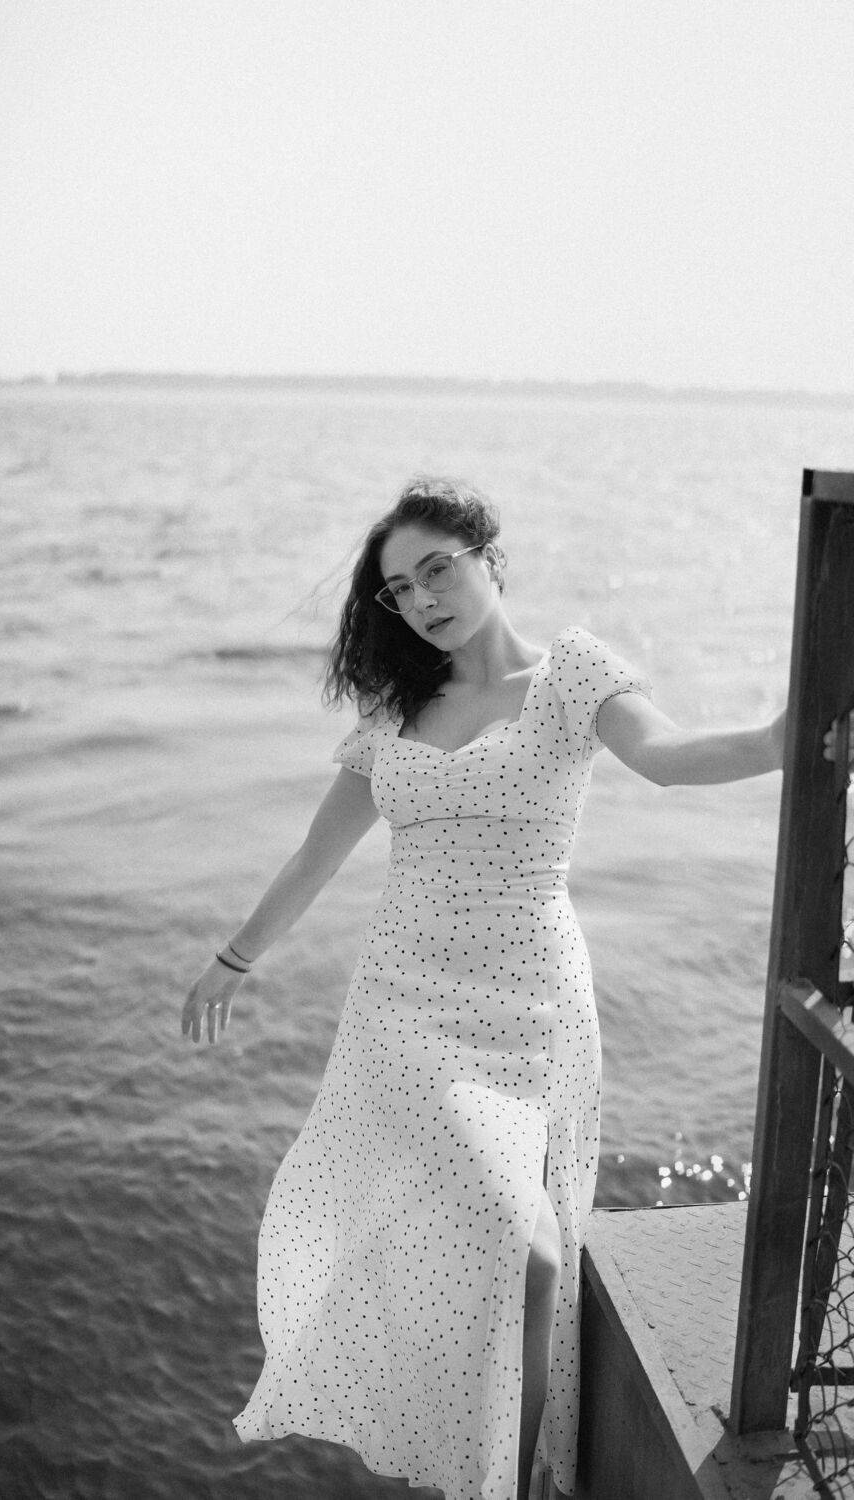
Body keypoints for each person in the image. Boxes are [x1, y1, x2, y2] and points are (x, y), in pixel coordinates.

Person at [183, 476, 796, 1500]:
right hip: (404, 1003)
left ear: (488, 560)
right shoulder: (395, 710)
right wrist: (234, 960)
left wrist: (780, 739)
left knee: (522, 1249)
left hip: (532, 999)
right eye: (399, 590)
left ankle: (503, 1480)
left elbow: (668, 757)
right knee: (521, 1244)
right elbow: (314, 858)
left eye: (438, 570)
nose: (422, 599)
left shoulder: (570, 673)